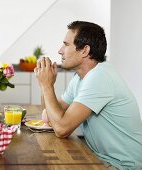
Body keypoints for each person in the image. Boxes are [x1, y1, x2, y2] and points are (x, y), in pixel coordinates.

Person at [34, 21, 142, 170]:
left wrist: (46, 86)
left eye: (66, 44)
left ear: (84, 51)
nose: (60, 51)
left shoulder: (100, 77)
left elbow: (61, 128)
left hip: (123, 166)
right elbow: (51, 111)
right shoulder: (81, 77)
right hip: (100, 159)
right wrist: (45, 83)